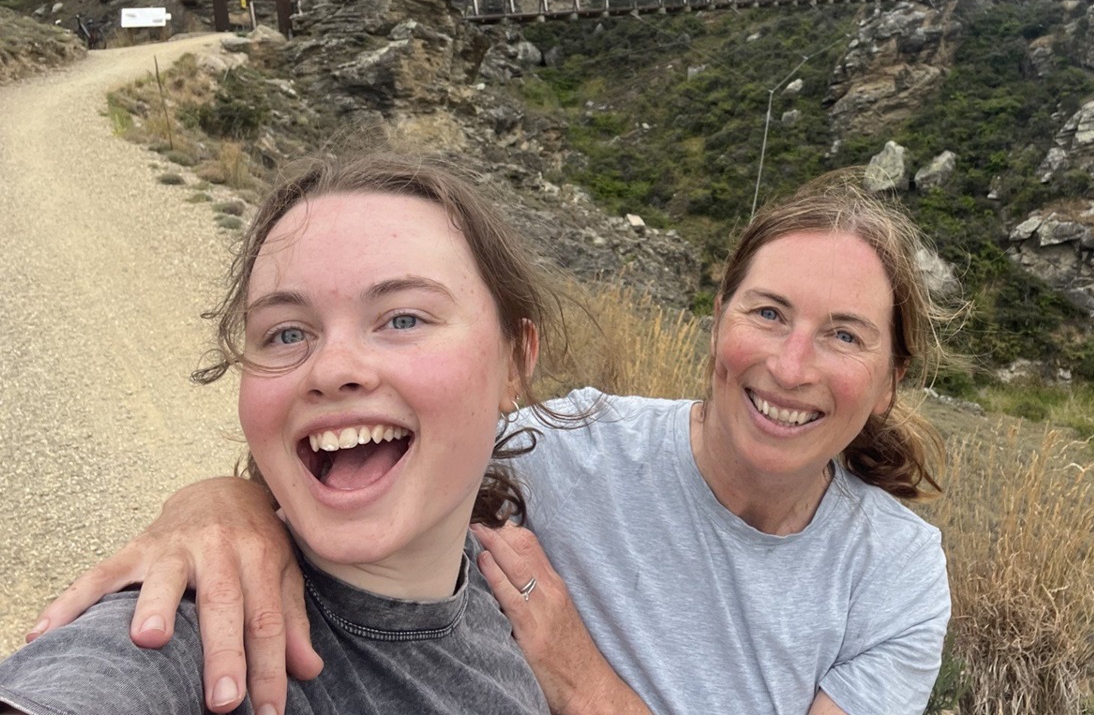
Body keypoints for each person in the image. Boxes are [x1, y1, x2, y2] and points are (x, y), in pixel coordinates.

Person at [28, 170, 954, 715]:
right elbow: (372, 456)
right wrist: (219, 508)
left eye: (843, 334)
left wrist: (581, 680)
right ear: (716, 325)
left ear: (890, 379)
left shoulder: (895, 573)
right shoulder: (568, 446)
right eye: (768, 312)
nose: (791, 366)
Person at [0, 153, 555, 715]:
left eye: (403, 319)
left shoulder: (506, 580)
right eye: (287, 333)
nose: (331, 369)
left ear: (515, 361)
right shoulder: (191, 636)